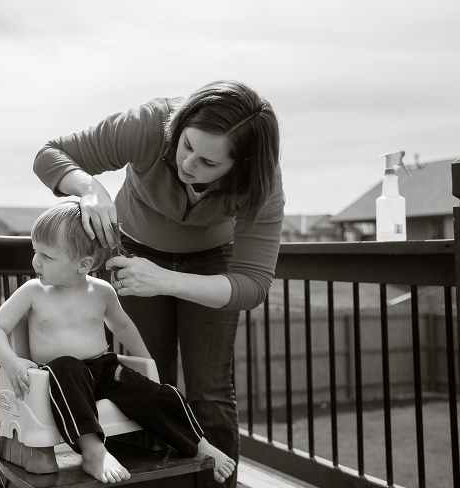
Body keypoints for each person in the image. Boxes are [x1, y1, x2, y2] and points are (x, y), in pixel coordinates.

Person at [33, 80, 284, 488]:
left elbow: (252, 284)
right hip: (135, 248)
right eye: (186, 146)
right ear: (179, 126)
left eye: (208, 163)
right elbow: (50, 154)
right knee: (148, 382)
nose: (188, 165)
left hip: (210, 265)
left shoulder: (263, 184)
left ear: (241, 165)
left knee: (210, 389)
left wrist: (166, 280)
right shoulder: (151, 123)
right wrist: (89, 188)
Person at [0, 202, 237, 484]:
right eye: (35, 251)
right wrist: (11, 362)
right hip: (56, 376)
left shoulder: (101, 292)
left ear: (83, 265)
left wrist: (146, 363)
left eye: (47, 256)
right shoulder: (33, 291)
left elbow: (123, 326)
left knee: (157, 392)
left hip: (103, 369)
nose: (36, 261)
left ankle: (199, 443)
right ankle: (93, 451)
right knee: (68, 366)